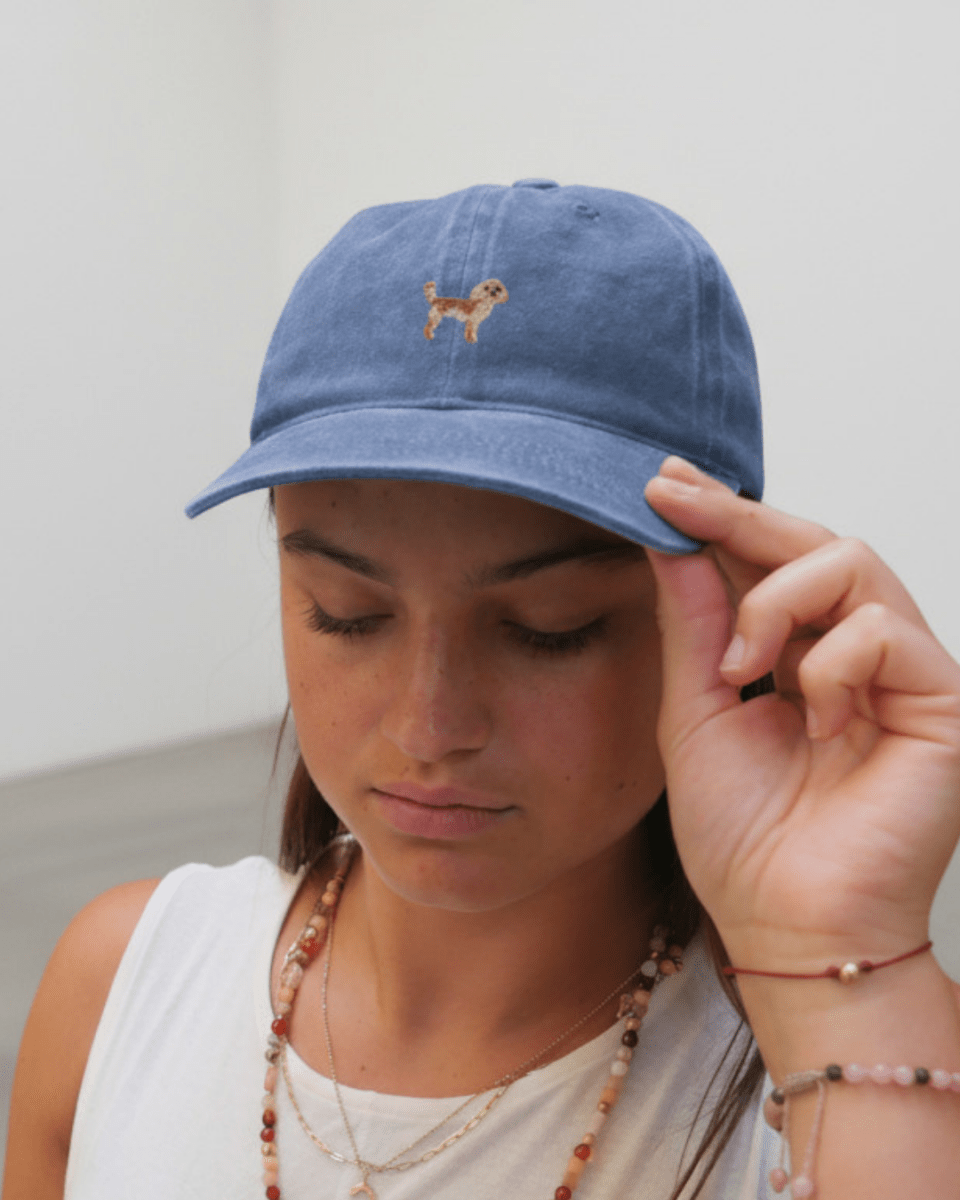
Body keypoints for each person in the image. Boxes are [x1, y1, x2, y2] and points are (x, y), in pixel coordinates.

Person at [5, 180, 960, 1200]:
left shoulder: (845, 1080)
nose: (429, 726)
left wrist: (842, 959)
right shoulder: (126, 985)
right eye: (345, 613)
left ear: (727, 607)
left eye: (552, 628)